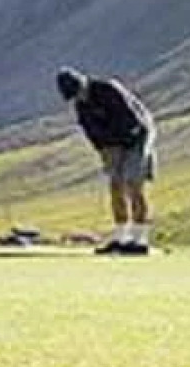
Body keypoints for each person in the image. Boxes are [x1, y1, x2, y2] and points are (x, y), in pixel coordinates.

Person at [55, 68, 156, 256]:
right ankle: (121, 238)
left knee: (133, 184)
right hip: (112, 143)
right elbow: (92, 134)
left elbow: (131, 122)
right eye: (74, 96)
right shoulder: (81, 105)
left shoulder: (109, 89)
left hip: (138, 136)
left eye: (79, 93)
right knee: (115, 186)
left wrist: (115, 146)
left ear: (83, 82)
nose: (79, 98)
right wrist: (103, 151)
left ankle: (140, 239)